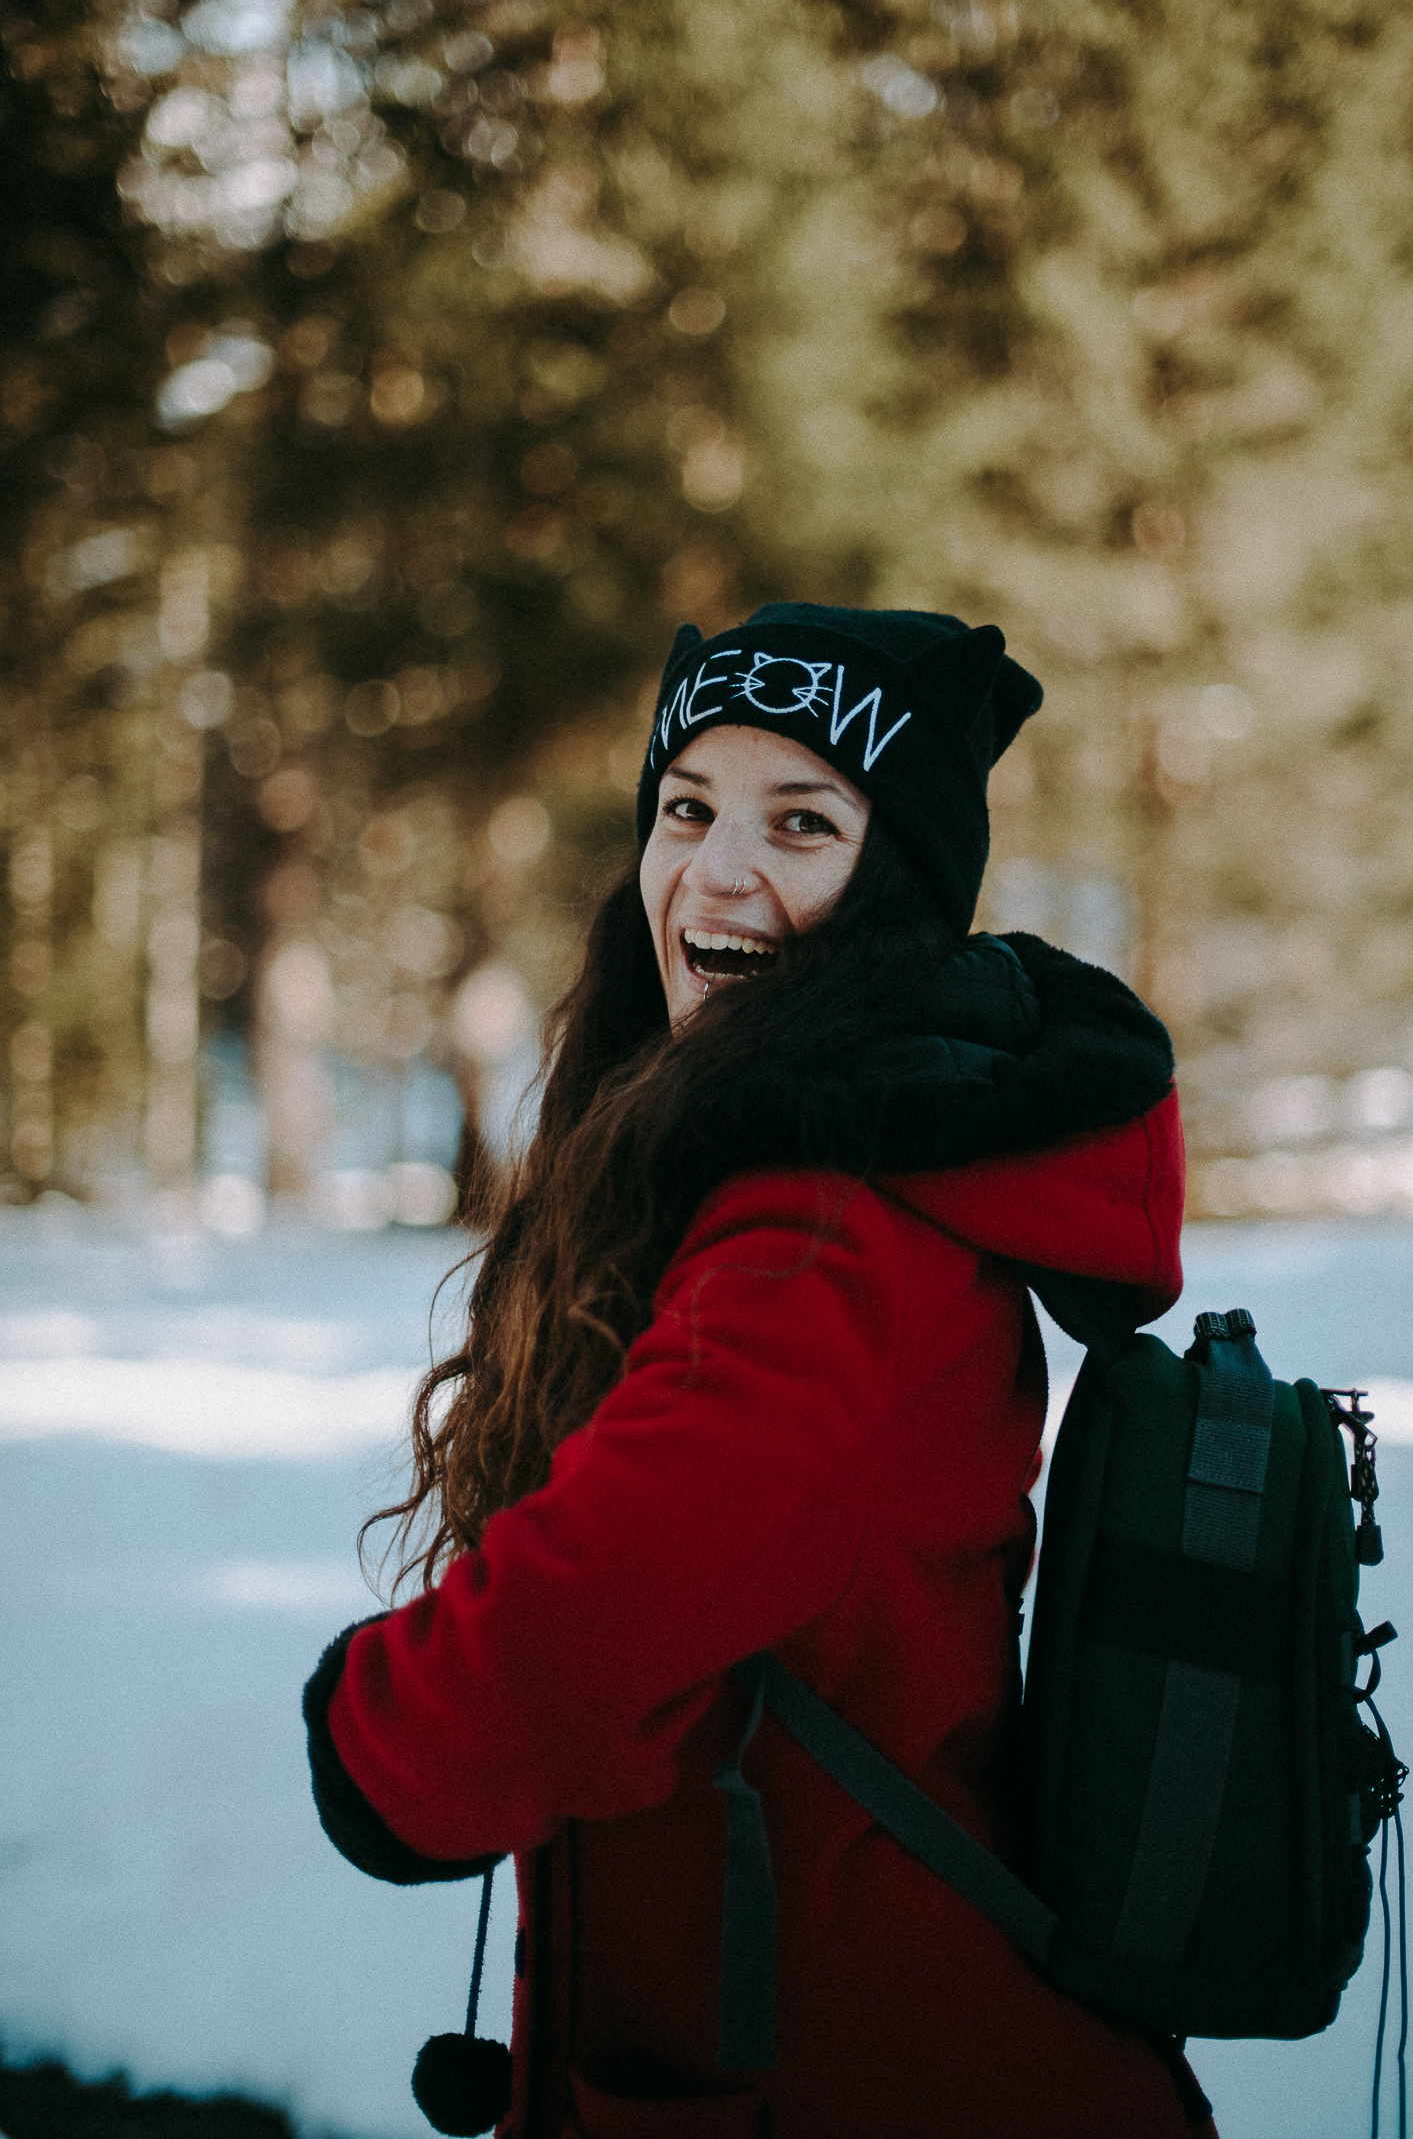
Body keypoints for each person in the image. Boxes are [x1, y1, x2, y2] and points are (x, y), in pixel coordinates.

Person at [304, 603, 1214, 2139]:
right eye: (687, 807)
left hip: (851, 2071)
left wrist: (379, 1735)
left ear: (896, 884)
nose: (719, 868)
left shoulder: (824, 1224)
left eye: (804, 820)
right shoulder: (807, 1166)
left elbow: (606, 1605)